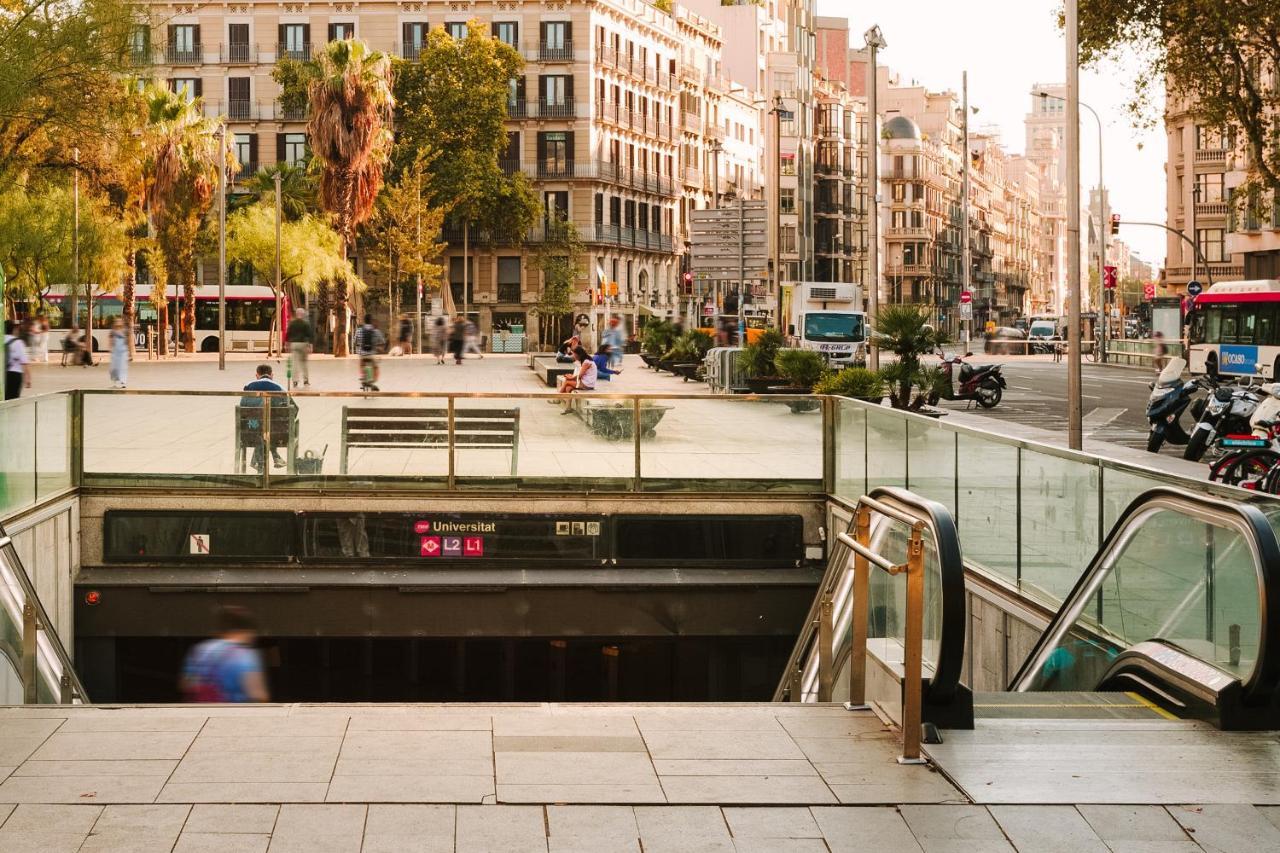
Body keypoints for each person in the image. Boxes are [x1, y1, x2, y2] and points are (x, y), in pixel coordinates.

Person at [179, 605, 269, 703]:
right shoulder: (245, 655)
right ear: (247, 631)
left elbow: (185, 684)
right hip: (233, 713)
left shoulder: (200, 650)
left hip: (200, 711)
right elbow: (257, 695)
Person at [240, 363, 287, 471]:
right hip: (277, 431)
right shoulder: (279, 387)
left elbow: (242, 407)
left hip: (251, 428)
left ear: (257, 375)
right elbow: (291, 409)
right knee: (267, 428)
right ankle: (275, 457)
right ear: (272, 375)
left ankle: (258, 463)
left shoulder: (248, 386)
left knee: (261, 428)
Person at [353, 313, 385, 390]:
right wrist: (378, 347)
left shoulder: (359, 330)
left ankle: (363, 377)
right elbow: (382, 341)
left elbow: (355, 341)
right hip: (371, 354)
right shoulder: (375, 331)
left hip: (362, 354)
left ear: (364, 321)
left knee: (361, 364)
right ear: (371, 321)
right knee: (376, 367)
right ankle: (373, 381)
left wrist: (358, 346)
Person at [286, 307, 314, 388]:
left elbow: (288, 334)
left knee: (295, 363)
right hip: (303, 344)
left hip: (294, 344)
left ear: (296, 314)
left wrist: (287, 344)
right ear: (303, 314)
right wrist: (310, 346)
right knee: (304, 363)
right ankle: (306, 381)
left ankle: (295, 381)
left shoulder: (292, 323)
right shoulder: (306, 323)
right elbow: (310, 335)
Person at [4, 319, 31, 400]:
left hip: (2, 374)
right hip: (14, 375)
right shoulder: (18, 342)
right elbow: (24, 362)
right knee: (13, 401)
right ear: (13, 329)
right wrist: (28, 378)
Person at [108, 317, 129, 389]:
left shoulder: (125, 331)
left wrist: (130, 353)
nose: (118, 323)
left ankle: (123, 382)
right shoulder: (113, 331)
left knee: (123, 367)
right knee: (114, 367)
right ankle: (114, 382)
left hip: (123, 351)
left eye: (120, 321)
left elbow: (128, 341)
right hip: (115, 351)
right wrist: (110, 348)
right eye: (117, 321)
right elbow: (110, 340)